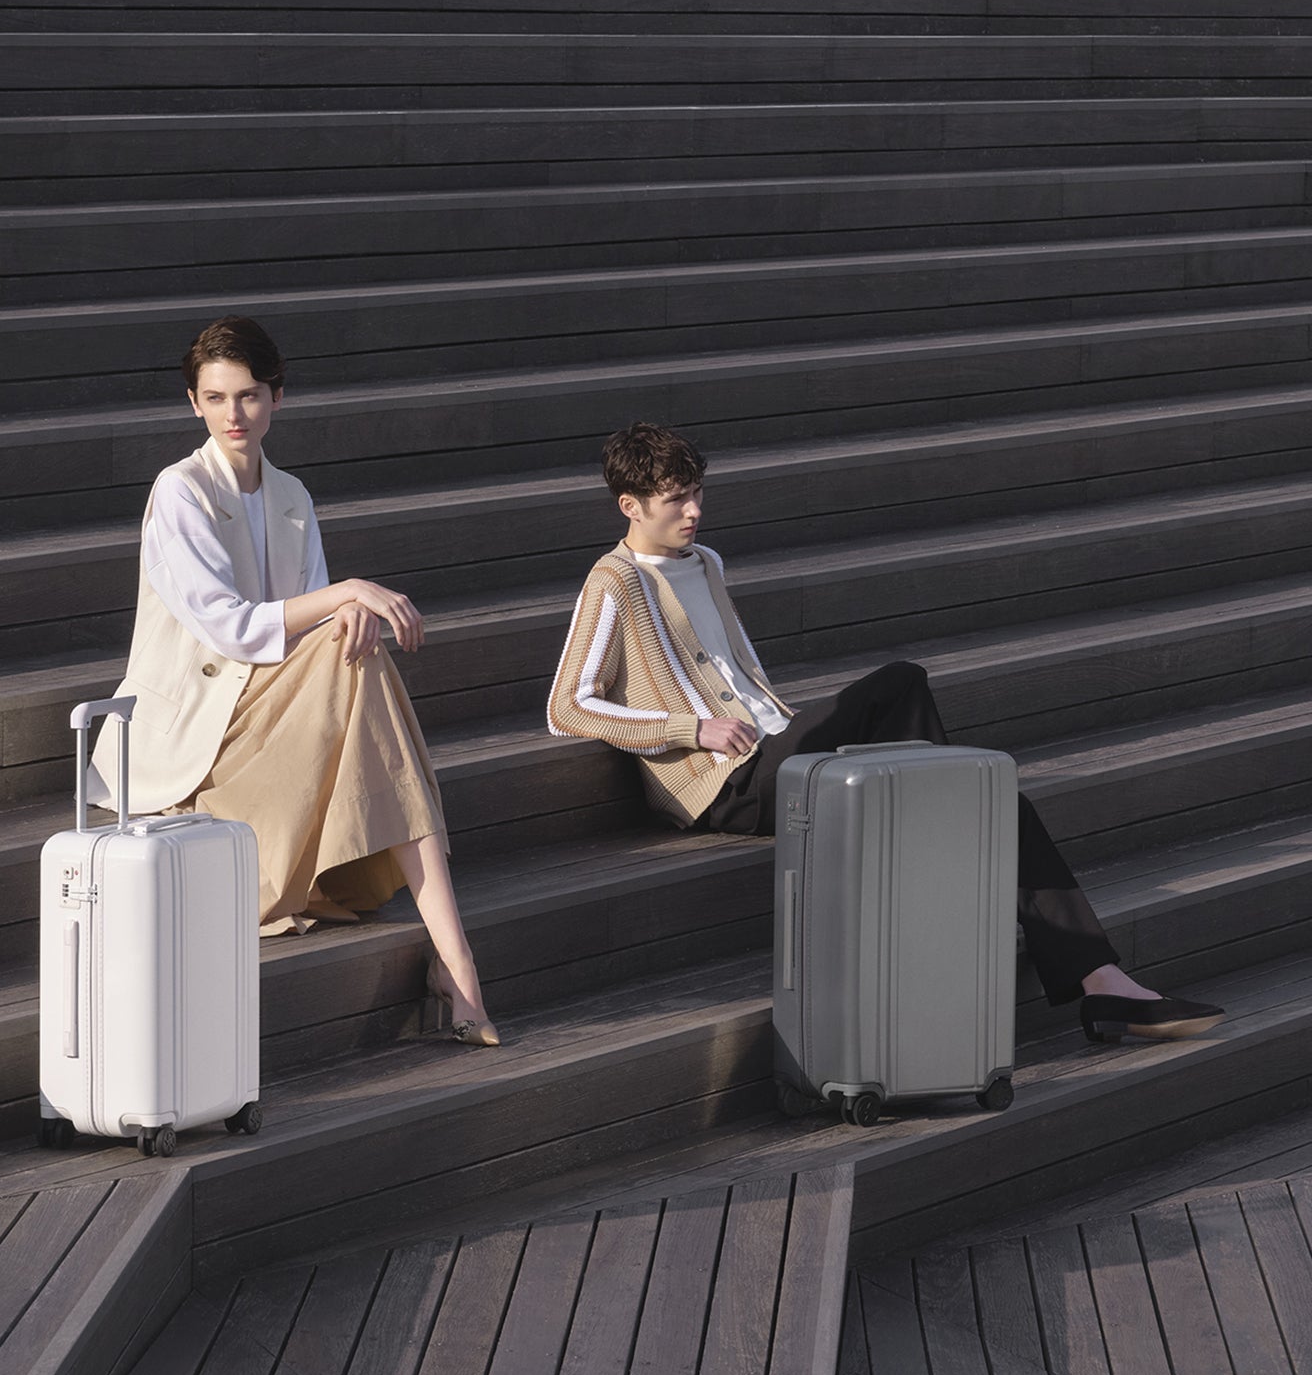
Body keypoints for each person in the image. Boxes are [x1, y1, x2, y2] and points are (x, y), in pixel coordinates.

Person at [547, 421, 1224, 1043]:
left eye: (697, 495)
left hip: (779, 752)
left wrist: (777, 726)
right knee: (900, 683)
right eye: (675, 501)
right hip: (724, 784)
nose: (694, 512)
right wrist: (690, 728)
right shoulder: (614, 582)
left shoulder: (707, 563)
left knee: (996, 804)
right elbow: (567, 706)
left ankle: (1103, 986)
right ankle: (947, 827)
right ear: (630, 506)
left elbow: (743, 676)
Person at [89, 316, 498, 1045]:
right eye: (214, 398)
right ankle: (458, 965)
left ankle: (455, 961)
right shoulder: (178, 493)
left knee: (357, 652)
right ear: (193, 404)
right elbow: (233, 627)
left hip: (270, 715)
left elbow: (304, 631)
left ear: (278, 398)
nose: (232, 415)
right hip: (197, 748)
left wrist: (344, 612)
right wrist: (348, 595)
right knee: (356, 645)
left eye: (248, 396)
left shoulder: (291, 497)